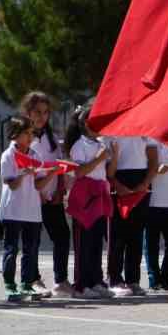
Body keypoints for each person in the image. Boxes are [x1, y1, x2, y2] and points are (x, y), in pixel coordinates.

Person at [20, 92, 72, 297]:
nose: (41, 117)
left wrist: (60, 191)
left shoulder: (52, 140)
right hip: (32, 196)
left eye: (45, 112)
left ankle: (61, 280)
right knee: (32, 240)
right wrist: (38, 191)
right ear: (28, 113)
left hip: (52, 198)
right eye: (37, 112)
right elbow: (23, 168)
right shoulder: (23, 139)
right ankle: (33, 279)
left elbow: (58, 167)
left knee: (62, 236)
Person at [0, 116, 53, 302]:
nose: (30, 137)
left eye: (31, 133)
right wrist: (23, 172)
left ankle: (27, 284)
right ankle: (9, 285)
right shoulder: (8, 155)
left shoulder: (35, 155)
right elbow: (11, 184)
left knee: (31, 249)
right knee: (11, 248)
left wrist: (52, 173)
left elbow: (38, 185)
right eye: (26, 133)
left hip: (32, 211)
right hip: (13, 210)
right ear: (14, 135)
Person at [64, 105, 113, 299]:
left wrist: (111, 157)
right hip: (85, 195)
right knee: (83, 241)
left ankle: (96, 280)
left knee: (96, 240)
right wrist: (100, 157)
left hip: (100, 192)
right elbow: (80, 171)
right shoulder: (79, 145)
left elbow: (106, 170)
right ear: (86, 123)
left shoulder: (100, 143)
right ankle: (81, 284)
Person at [105, 131, 157, 297]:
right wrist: (116, 184)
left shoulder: (145, 129)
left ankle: (133, 280)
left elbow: (153, 160)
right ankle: (114, 279)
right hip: (119, 179)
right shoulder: (110, 132)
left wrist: (145, 183)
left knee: (136, 234)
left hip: (140, 180)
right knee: (117, 233)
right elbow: (106, 168)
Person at [142, 133, 168, 292]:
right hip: (153, 200)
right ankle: (154, 279)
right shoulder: (148, 137)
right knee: (152, 244)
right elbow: (141, 164)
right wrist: (155, 170)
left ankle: (166, 278)